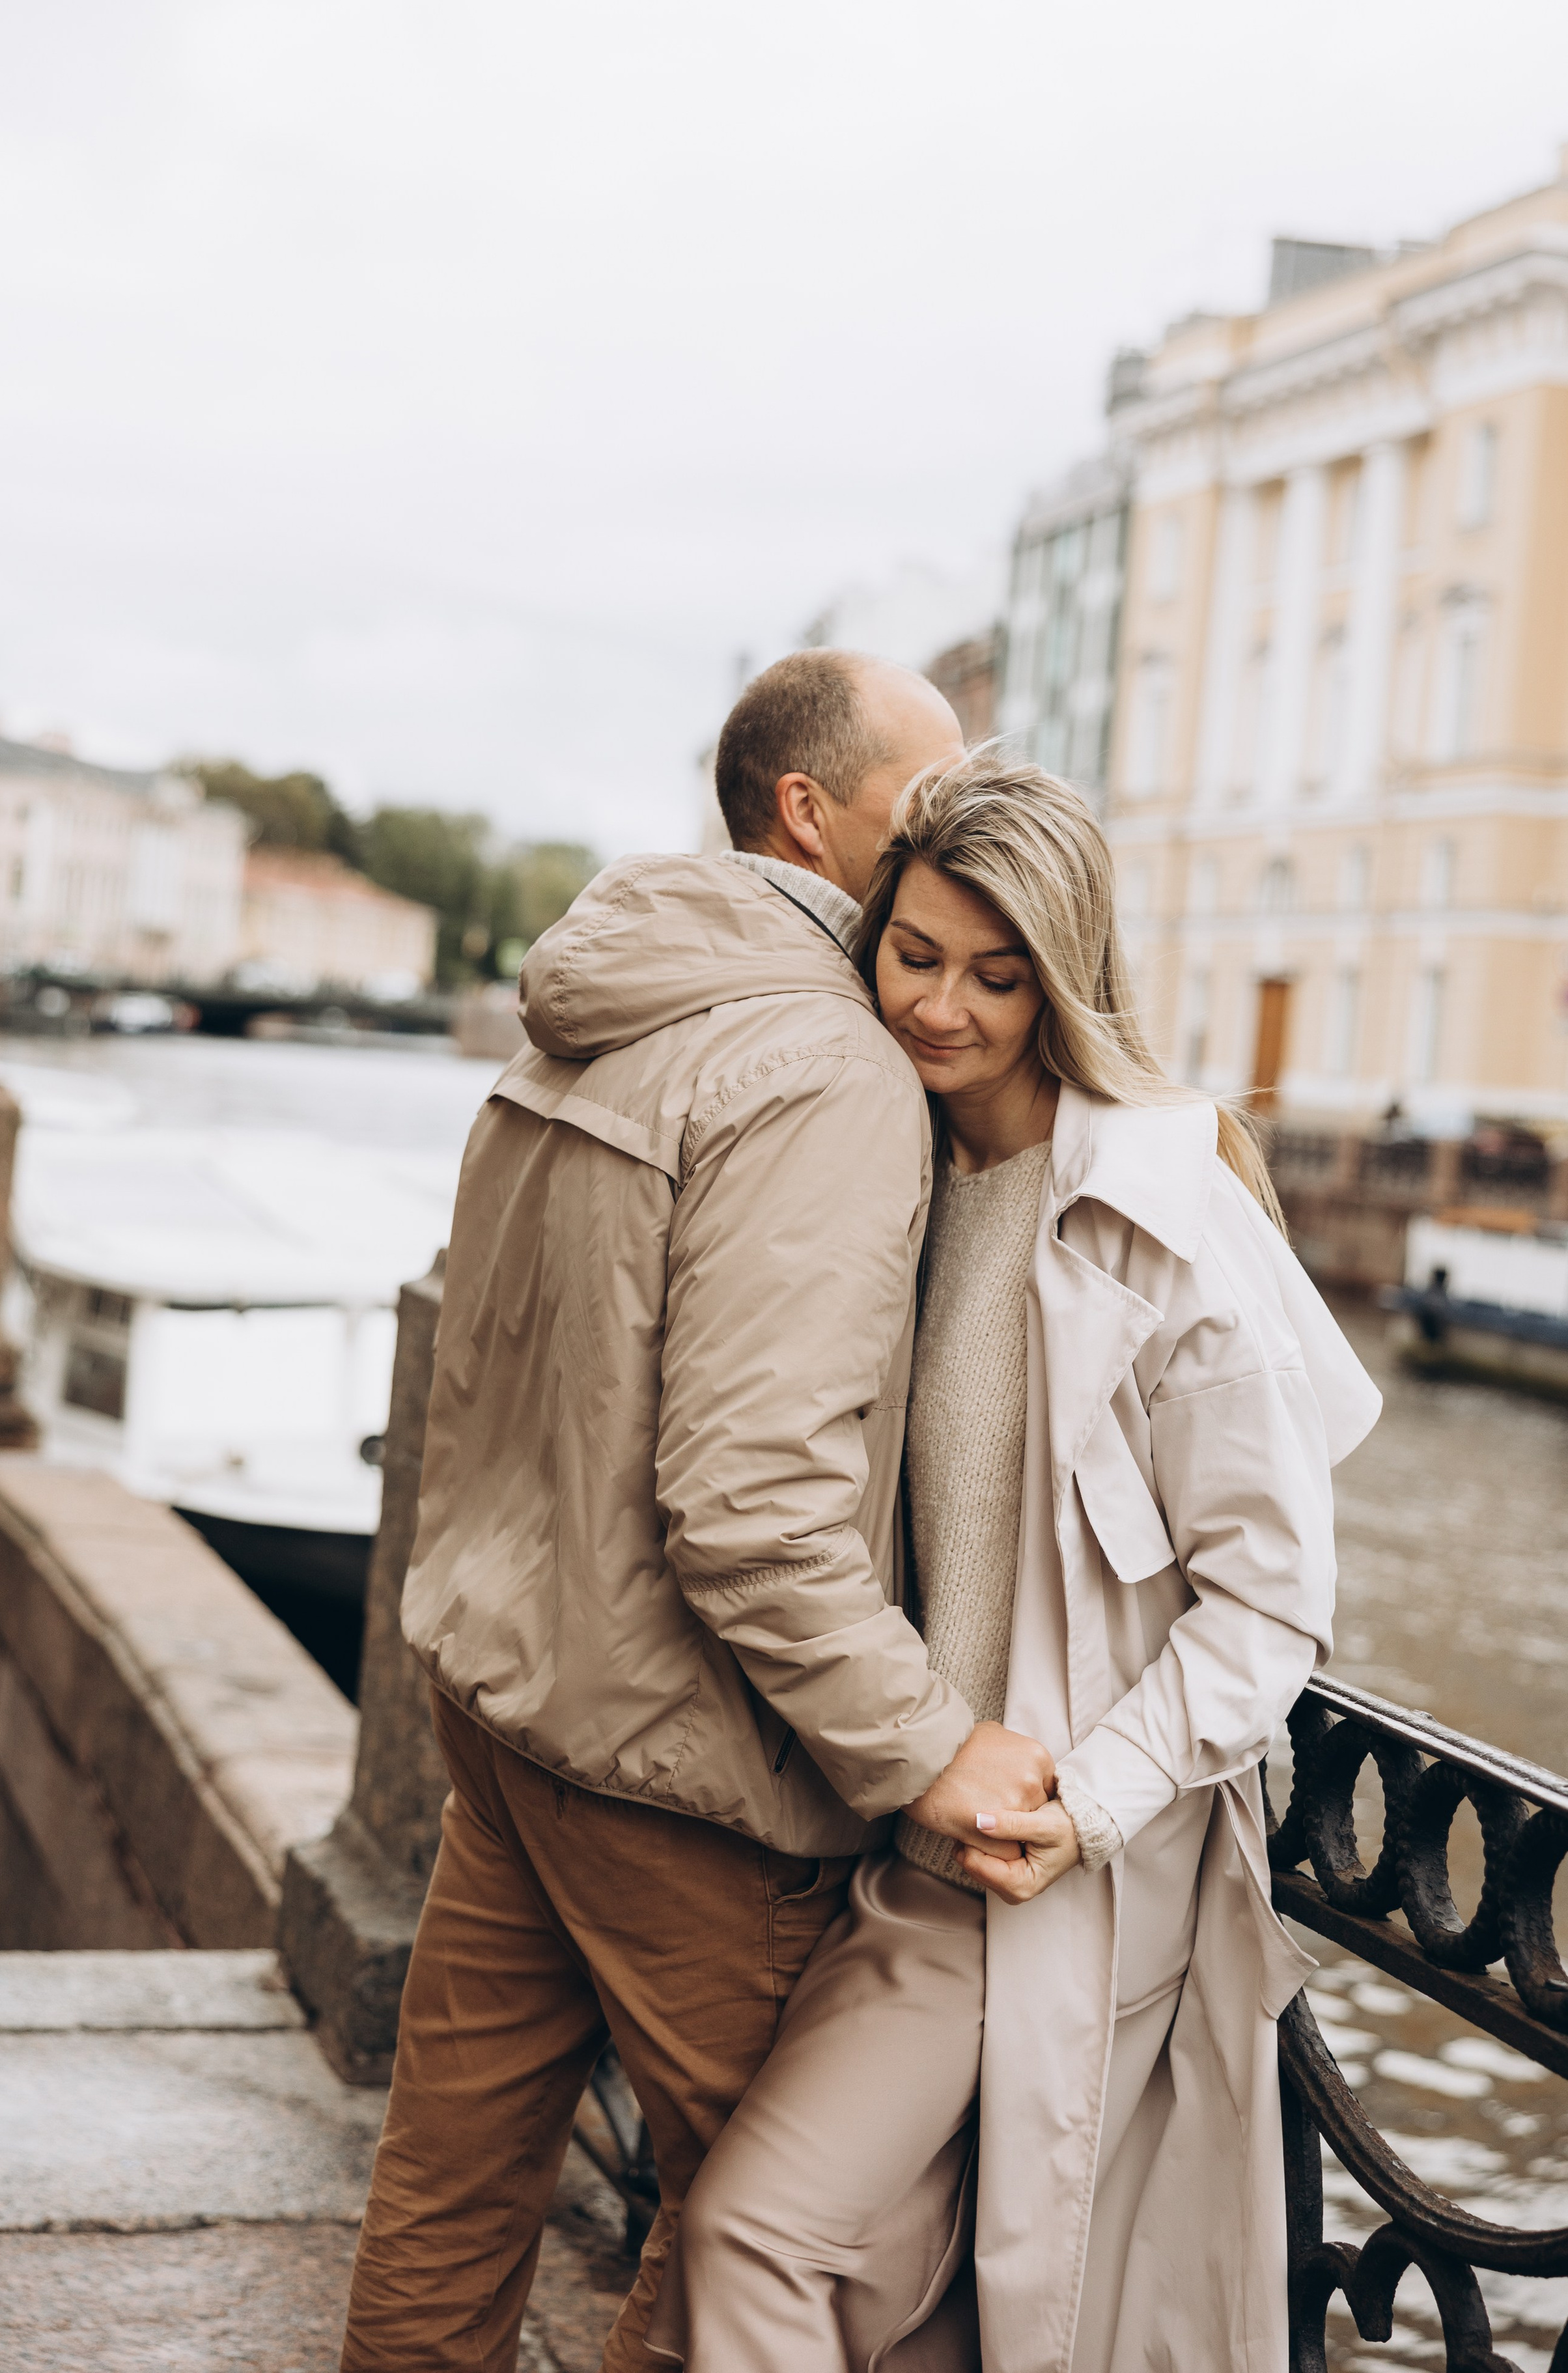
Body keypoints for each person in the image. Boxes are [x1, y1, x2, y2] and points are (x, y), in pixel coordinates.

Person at [341, 652, 1063, 2373]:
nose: (956, 821)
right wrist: (925, 1744)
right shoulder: (825, 1067)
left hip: (511, 1694)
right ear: (809, 813)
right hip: (685, 1765)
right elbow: (750, 1504)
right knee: (769, 2237)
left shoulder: (603, 1003)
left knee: (451, 2182)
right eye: (928, 792)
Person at [654, 751, 1381, 2373]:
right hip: (899, 1838)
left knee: (757, 2237)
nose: (943, 1009)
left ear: (1064, 982)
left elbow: (1270, 1600)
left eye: (997, 977)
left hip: (1037, 1878)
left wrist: (1084, 1807)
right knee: (912, 2313)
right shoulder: (889, 1167)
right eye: (912, 956)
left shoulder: (1155, 1212)